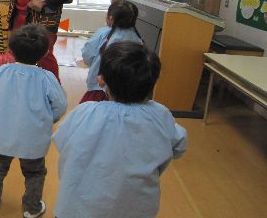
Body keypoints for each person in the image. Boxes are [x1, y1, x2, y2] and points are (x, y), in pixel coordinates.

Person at [53, 42, 188, 218]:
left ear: (101, 80)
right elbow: (179, 146)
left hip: (78, 207)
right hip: (135, 210)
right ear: (153, 82)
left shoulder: (86, 112)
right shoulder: (160, 115)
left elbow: (62, 140)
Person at [0, 24, 67, 218]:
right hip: (32, 136)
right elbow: (60, 105)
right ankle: (32, 208)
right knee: (35, 173)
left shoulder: (1, 71)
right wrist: (47, 119)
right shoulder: (47, 78)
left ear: (12, 49)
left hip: (0, 134)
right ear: (45, 52)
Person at [80, 0, 143, 103]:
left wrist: (93, 64)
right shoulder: (138, 39)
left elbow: (87, 55)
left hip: (100, 87)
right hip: (128, 91)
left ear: (110, 18)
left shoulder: (103, 33)